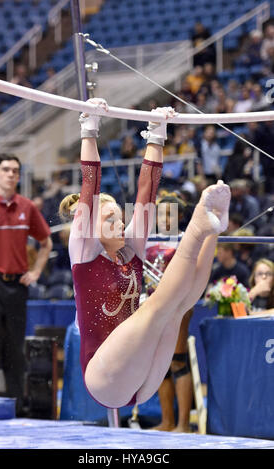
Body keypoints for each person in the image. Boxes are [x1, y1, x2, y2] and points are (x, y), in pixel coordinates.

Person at [59, 98, 231, 409]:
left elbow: (147, 192)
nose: (120, 222)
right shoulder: (84, 254)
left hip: (139, 378)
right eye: (110, 218)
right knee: (156, 307)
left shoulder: (130, 249)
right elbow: (90, 186)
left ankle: (212, 230)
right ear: (90, 226)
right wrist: (89, 128)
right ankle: (198, 228)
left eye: (119, 217)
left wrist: (156, 132)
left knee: (178, 307)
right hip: (104, 376)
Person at [0, 154, 52, 414]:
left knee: (15, 353)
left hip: (18, 286)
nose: (11, 174)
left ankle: (18, 414)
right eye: (5, 170)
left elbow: (46, 243)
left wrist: (37, 271)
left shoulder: (27, 207)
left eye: (15, 170)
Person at [145, 191, 193, 432]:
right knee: (160, 364)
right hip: (155, 305)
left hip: (179, 305)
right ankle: (167, 421)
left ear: (180, 216)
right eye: (160, 214)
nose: (164, 219)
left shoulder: (185, 240)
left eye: (169, 214)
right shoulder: (149, 239)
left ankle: (183, 423)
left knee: (177, 360)